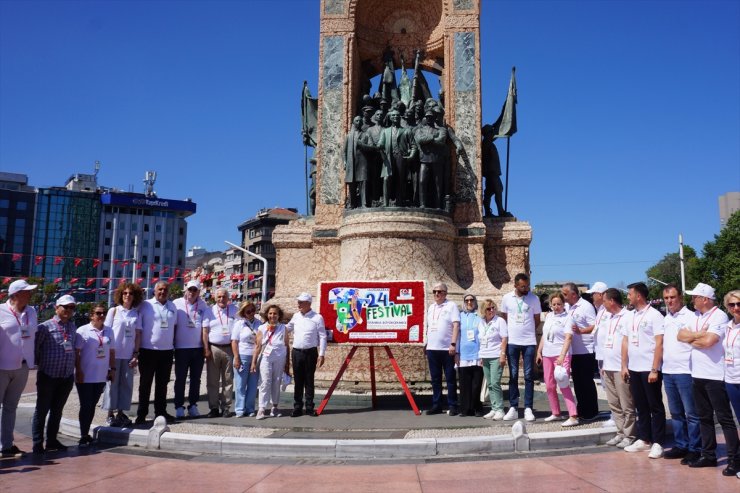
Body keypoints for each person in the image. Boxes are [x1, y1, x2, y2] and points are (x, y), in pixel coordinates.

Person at [678, 282, 738, 476]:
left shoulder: (719, 316)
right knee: (704, 417)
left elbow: (709, 341)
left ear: (705, 299)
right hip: (697, 374)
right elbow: (680, 335)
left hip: (716, 375)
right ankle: (708, 454)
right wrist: (697, 335)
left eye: (694, 297)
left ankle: (733, 459)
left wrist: (694, 339)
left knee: (725, 419)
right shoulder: (696, 316)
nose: (692, 300)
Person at [621, 282, 666, 458]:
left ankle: (659, 442)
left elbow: (659, 343)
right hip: (634, 368)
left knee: (655, 405)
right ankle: (644, 439)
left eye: (630, 294)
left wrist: (655, 369)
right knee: (641, 405)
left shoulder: (655, 315)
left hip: (649, 368)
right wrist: (624, 365)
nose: (628, 297)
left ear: (639, 296)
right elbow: (625, 341)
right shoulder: (629, 316)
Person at [32, 294, 78, 454]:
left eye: (72, 307)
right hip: (48, 375)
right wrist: (41, 365)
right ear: (57, 307)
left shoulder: (72, 327)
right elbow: (36, 349)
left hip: (66, 376)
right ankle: (38, 443)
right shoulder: (44, 327)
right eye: (65, 307)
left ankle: (51, 440)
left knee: (57, 410)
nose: (68, 310)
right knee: (42, 410)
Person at [661, 284, 701, 463]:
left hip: (685, 370)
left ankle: (695, 448)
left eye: (672, 297)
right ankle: (681, 445)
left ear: (680, 298)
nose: (669, 301)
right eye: (666, 298)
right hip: (668, 371)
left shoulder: (691, 317)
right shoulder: (666, 318)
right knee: (676, 412)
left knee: (691, 413)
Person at [0, 279, 38, 457]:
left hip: (22, 366)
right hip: (2, 366)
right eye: (26, 291)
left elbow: (33, 336)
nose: (30, 294)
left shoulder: (32, 312)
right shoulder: (0, 311)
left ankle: (6, 445)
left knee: (10, 407)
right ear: (15, 294)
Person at [500, 273, 541, 421]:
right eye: (523, 286)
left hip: (529, 341)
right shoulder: (506, 298)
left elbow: (537, 320)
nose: (526, 288)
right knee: (513, 375)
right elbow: (504, 318)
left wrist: (527, 330)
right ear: (515, 285)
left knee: (529, 375)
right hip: (513, 342)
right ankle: (513, 407)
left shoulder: (534, 299)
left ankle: (528, 407)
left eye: (527, 285)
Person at [102, 282, 143, 427]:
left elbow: (138, 335)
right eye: (125, 293)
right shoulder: (113, 311)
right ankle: (110, 414)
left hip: (128, 355)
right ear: (120, 294)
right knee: (112, 384)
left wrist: (136, 354)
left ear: (135, 296)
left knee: (126, 384)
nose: (127, 296)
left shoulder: (136, 313)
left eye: (130, 293)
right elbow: (106, 332)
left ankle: (121, 413)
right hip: (114, 354)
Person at [136, 281, 177, 424]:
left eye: (165, 290)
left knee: (162, 384)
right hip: (148, 350)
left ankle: (160, 412)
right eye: (160, 289)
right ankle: (141, 413)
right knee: (145, 384)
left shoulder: (173, 306)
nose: (163, 292)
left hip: (166, 352)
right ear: (154, 291)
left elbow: (175, 327)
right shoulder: (145, 305)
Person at [601, 288, 637, 449]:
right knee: (614, 403)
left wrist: (625, 365)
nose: (603, 304)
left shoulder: (628, 316)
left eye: (604, 301)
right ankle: (621, 432)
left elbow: (628, 341)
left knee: (626, 403)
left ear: (612, 301)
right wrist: (602, 363)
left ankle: (630, 434)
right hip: (607, 365)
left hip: (620, 367)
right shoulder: (608, 317)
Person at [74, 303, 114, 447]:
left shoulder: (109, 331)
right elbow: (77, 353)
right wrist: (78, 371)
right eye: (98, 313)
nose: (101, 316)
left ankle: (86, 433)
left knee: (92, 405)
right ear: (91, 315)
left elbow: (112, 351)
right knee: (85, 405)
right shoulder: (83, 331)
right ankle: (83, 435)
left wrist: (112, 369)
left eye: (103, 313)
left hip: (100, 375)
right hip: (85, 375)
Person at [536, 293, 579, 427]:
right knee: (549, 385)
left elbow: (568, 338)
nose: (556, 307)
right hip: (547, 354)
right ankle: (556, 412)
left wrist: (562, 355)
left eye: (559, 304)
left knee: (563, 383)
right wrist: (539, 351)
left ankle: (573, 415)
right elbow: (544, 335)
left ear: (563, 304)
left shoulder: (568, 318)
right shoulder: (549, 316)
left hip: (561, 354)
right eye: (554, 304)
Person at [173, 280, 212, 419]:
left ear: (199, 292)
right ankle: (178, 406)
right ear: (186, 290)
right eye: (190, 289)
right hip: (181, 348)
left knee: (196, 379)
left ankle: (193, 405)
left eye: (195, 290)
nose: (192, 292)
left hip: (197, 348)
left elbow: (205, 328)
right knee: (180, 379)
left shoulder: (203, 305)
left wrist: (206, 348)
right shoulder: (176, 303)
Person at [561, 282, 599, 421]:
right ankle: (582, 409)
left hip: (585, 350)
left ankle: (592, 411)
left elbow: (595, 325)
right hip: (573, 351)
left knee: (586, 382)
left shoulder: (586, 306)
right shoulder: (566, 307)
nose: (563, 297)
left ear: (574, 294)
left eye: (565, 294)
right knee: (577, 382)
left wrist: (581, 331)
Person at [286, 293, 326, 417]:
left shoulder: (317, 317)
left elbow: (323, 336)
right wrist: (272, 326)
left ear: (309, 303)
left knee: (309, 380)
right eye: (298, 301)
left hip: (310, 352)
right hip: (297, 352)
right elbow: (287, 328)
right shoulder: (296, 316)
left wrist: (322, 354)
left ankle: (309, 406)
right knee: (298, 380)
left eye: (302, 302)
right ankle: (297, 406)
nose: (299, 304)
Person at [425, 282, 460, 416]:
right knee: (435, 379)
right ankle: (437, 404)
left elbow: (456, 325)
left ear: (445, 293)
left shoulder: (451, 306)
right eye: (434, 291)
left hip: (447, 348)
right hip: (432, 348)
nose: (437, 294)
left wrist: (453, 344)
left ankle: (453, 405)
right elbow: (428, 327)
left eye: (439, 291)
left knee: (450, 378)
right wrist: (426, 343)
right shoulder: (431, 307)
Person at [251, 304, 290, 420]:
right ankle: (262, 408)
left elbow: (287, 345)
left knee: (277, 381)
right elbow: (257, 346)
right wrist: (253, 362)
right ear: (267, 315)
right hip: (266, 357)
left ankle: (275, 406)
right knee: (265, 382)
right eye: (270, 313)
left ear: (279, 315)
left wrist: (288, 363)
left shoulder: (283, 328)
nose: (272, 315)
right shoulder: (262, 328)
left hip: (280, 357)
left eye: (275, 313)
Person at [204, 288, 237, 418]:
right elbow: (205, 331)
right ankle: (213, 407)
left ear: (228, 298)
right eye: (219, 297)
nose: (221, 299)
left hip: (229, 348)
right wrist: (206, 348)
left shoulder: (234, 309)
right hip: (214, 348)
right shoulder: (209, 310)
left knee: (228, 380)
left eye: (224, 297)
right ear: (215, 298)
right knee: (212, 380)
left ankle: (226, 407)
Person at [587, 281, 614, 428]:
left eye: (594, 294)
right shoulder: (599, 311)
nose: (592, 296)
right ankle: (614, 413)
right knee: (606, 386)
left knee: (611, 387)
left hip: (607, 355)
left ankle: (616, 416)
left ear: (601, 294)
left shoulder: (608, 311)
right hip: (600, 354)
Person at [377, 109, 416, 206]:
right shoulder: (385, 131)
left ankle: (399, 202)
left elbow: (414, 146)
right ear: (390, 118)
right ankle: (385, 203)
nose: (395, 117)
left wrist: (411, 156)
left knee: (400, 180)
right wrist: (380, 149)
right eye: (393, 115)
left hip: (401, 158)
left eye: (397, 115)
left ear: (400, 118)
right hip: (388, 158)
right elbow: (380, 144)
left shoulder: (406, 131)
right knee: (386, 179)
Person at [478, 299, 508, 420]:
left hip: (496, 355)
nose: (491, 311)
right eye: (488, 309)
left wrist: (502, 354)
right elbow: (481, 339)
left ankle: (500, 409)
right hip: (485, 355)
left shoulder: (499, 321)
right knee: (489, 384)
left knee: (495, 383)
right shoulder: (481, 322)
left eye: (493, 308)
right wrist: (480, 356)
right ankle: (494, 408)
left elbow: (504, 339)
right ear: (483, 311)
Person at [231, 302, 260, 417]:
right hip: (242, 355)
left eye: (253, 310)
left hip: (254, 356)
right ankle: (239, 409)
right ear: (243, 313)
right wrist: (236, 357)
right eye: (248, 311)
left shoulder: (259, 323)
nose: (251, 313)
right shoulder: (239, 324)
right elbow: (234, 341)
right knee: (240, 385)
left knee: (253, 385)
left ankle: (250, 408)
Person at [457, 294, 483, 417]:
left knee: (476, 384)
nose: (469, 302)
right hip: (463, 354)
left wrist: (482, 354)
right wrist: (456, 353)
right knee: (464, 383)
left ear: (475, 302)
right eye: (466, 300)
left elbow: (483, 336)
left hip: (477, 354)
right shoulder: (460, 317)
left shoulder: (480, 317)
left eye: (471, 300)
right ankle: (465, 409)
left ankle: (477, 407)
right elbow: (457, 336)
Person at [415, 110, 448, 209]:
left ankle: (438, 205)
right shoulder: (420, 130)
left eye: (431, 116)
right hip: (424, 159)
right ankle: (422, 204)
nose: (429, 118)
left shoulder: (441, 130)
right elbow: (419, 140)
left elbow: (441, 141)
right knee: (422, 181)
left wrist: (428, 140)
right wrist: (432, 138)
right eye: (427, 116)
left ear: (434, 118)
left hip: (437, 159)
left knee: (438, 183)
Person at [481, 124, 508, 217]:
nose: (492, 133)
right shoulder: (486, 142)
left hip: (492, 172)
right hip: (491, 172)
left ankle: (488, 211)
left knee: (489, 192)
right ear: (487, 133)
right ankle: (500, 211)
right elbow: (495, 132)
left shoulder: (488, 143)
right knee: (498, 189)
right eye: (490, 132)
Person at [344, 115, 369, 208]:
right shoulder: (348, 136)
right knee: (352, 185)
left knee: (363, 182)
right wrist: (345, 162)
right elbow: (344, 151)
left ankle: (364, 203)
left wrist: (362, 145)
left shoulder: (365, 134)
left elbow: (369, 148)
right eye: (357, 121)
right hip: (351, 163)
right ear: (353, 123)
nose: (358, 122)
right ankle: (352, 204)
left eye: (360, 121)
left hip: (362, 162)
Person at [723, 290, 740, 425]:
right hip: (731, 379)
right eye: (732, 305)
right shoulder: (727, 327)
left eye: (739, 304)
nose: (736, 308)